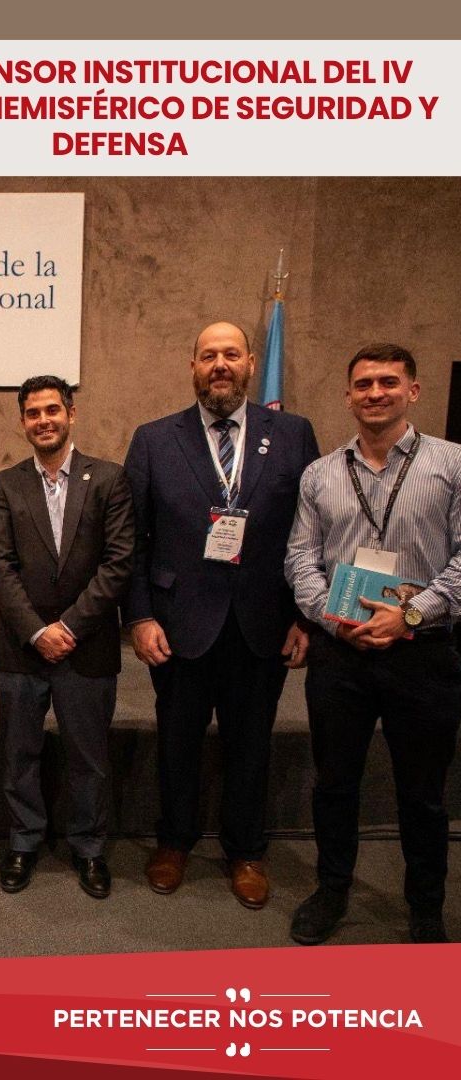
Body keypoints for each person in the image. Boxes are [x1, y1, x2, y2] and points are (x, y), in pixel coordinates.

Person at [124, 322, 319, 909]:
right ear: (192, 366)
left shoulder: (293, 434)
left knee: (251, 744)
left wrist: (305, 616)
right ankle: (174, 842)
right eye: (208, 355)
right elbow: (133, 539)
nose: (220, 364)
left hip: (263, 622)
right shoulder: (154, 439)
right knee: (177, 741)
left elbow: (312, 533)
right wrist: (139, 617)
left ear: (251, 363)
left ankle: (246, 851)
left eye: (231, 354)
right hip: (177, 623)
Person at [285, 343, 461, 945]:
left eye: (388, 382)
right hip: (341, 654)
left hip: (423, 654)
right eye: (363, 384)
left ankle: (426, 907)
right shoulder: (320, 474)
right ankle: (332, 891)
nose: (375, 393)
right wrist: (333, 621)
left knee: (423, 794)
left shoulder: (452, 464)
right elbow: (300, 559)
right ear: (348, 396)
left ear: (413, 390)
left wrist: (408, 614)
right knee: (334, 784)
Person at [0, 376, 134, 897]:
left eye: (52, 410)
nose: (43, 420)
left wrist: (68, 627)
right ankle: (24, 841)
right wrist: (36, 631)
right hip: (22, 646)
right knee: (19, 753)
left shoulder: (110, 478)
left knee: (88, 756)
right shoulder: (7, 484)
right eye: (33, 413)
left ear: (71, 413)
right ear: (23, 422)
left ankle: (89, 847)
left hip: (86, 644)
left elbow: (118, 563)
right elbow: (1, 565)